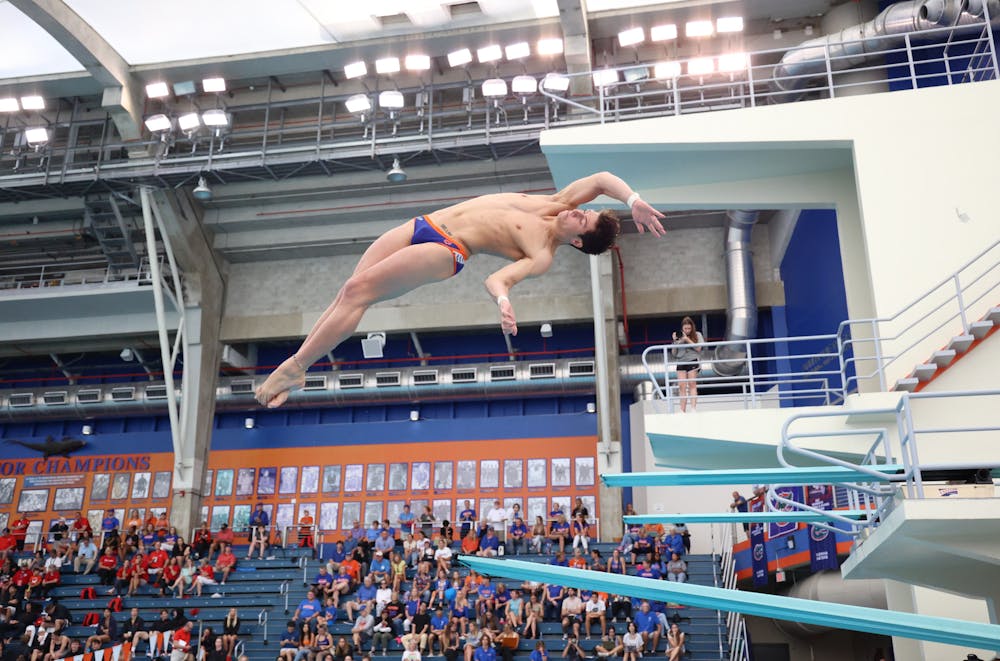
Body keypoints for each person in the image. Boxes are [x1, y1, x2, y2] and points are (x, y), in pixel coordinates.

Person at [255, 172, 665, 408]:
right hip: (427, 223)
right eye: (586, 211)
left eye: (584, 221)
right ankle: (298, 370)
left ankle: (296, 367)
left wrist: (503, 301)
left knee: (361, 291)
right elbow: (601, 179)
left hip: (446, 250)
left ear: (578, 240)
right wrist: (633, 200)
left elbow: (497, 279)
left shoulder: (541, 253)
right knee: (347, 291)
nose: (579, 212)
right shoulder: (556, 203)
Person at [671, 316, 705, 412]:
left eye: (689, 328)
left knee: (692, 384)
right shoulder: (679, 336)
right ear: (682, 328)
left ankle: (693, 408)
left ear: (692, 327)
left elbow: (699, 348)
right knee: (681, 386)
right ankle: (682, 410)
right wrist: (675, 341)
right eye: (685, 328)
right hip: (681, 361)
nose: (687, 330)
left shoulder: (697, 335)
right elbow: (674, 354)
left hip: (692, 360)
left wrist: (687, 339)